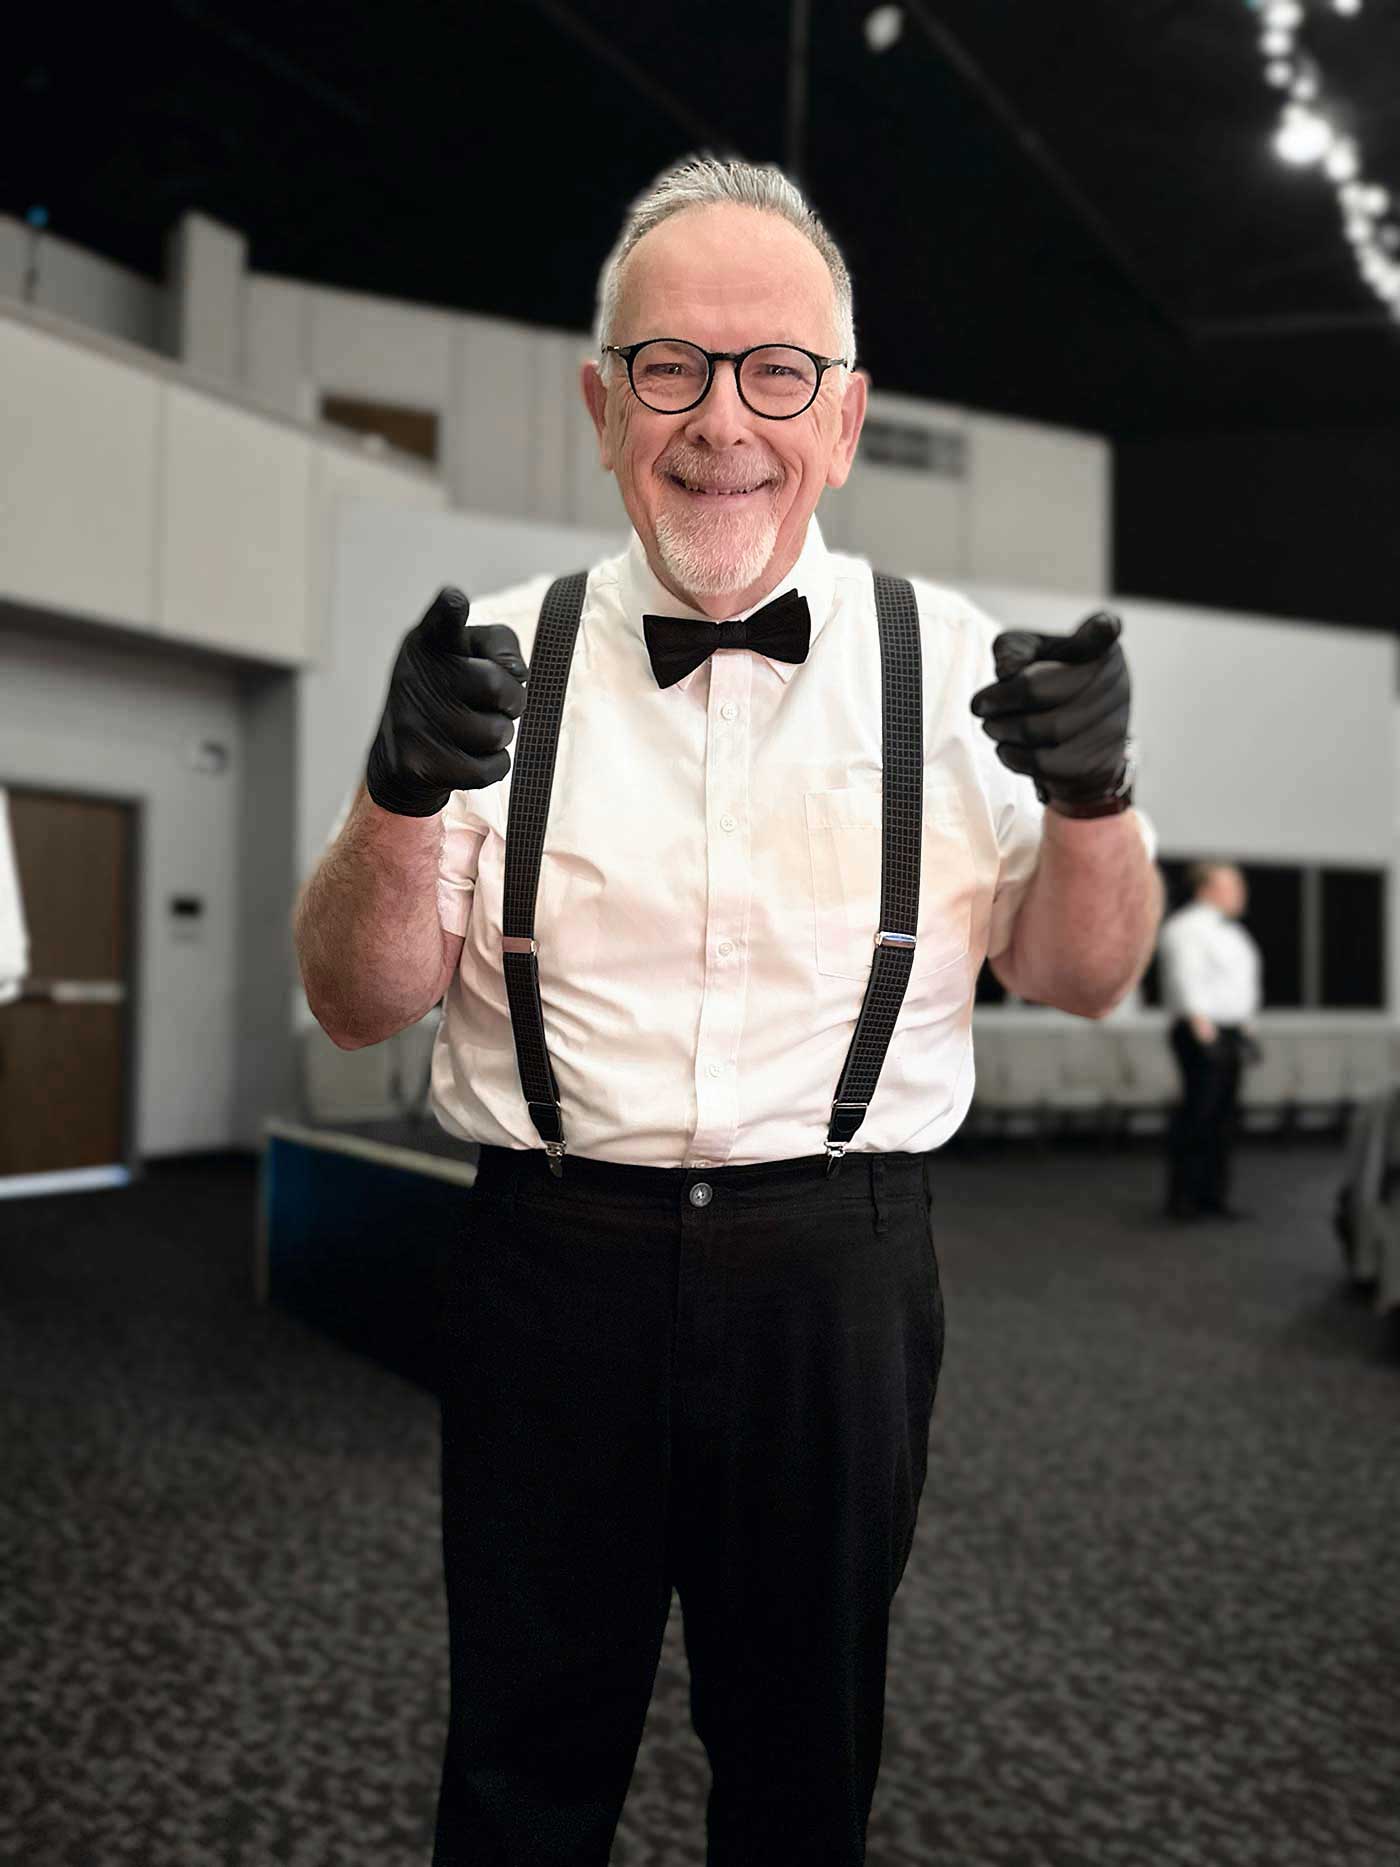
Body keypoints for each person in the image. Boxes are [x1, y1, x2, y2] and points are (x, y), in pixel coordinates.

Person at [293, 156, 1164, 1867]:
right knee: (522, 1755)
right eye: (672, 367)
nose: (723, 420)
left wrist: (1099, 800)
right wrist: (396, 801)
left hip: (837, 1274)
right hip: (550, 1269)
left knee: (804, 1750)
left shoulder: (951, 658)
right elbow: (351, 1003)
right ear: (600, 405)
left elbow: (1081, 970)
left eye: (778, 372)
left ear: (845, 419)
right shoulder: (486, 658)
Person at [1158, 862, 1263, 1221]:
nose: (1241, 893)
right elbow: (1187, 978)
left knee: (1223, 1119)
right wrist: (1202, 1027)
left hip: (1230, 1033)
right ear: (1206, 889)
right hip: (1201, 1031)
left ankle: (1212, 1197)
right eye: (1233, 886)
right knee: (1198, 1115)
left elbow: (1240, 987)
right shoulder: (1187, 927)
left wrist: (1246, 1028)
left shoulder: (1233, 934)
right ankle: (1183, 1199)